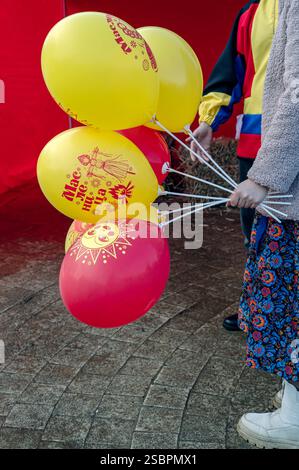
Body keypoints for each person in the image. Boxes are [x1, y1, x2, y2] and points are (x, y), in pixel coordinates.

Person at [226, 0, 299, 448]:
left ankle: (294, 418)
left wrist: (264, 177)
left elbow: (298, 89)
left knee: (292, 303)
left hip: (292, 190)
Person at [188, 0, 279, 331]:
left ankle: (285, 318)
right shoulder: (252, 13)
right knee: (254, 234)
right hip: (256, 144)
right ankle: (257, 309)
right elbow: (231, 73)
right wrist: (209, 121)